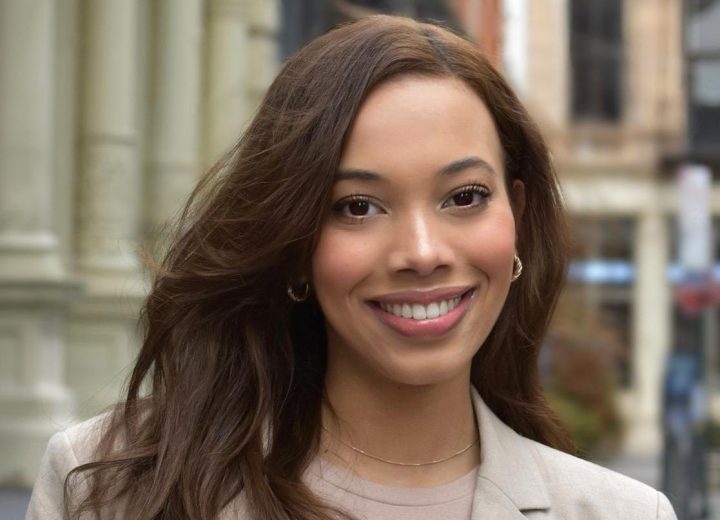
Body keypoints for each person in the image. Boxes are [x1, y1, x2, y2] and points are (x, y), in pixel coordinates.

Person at [27, 15, 676, 520]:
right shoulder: (109, 487)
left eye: (465, 197)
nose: (422, 252)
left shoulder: (623, 512)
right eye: (357, 206)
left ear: (517, 215)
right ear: (295, 242)